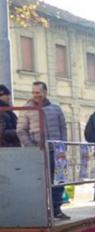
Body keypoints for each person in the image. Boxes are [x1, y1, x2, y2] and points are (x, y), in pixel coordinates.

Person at [17, 81, 69, 220]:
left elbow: (63, 127)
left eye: (38, 93)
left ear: (45, 92)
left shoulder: (55, 108)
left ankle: (56, 209)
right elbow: (21, 131)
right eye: (33, 93)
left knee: (59, 180)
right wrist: (31, 148)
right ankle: (39, 212)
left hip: (56, 151)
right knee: (39, 182)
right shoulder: (26, 109)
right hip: (38, 152)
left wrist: (63, 146)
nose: (35, 95)